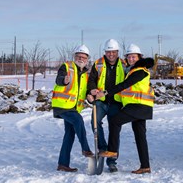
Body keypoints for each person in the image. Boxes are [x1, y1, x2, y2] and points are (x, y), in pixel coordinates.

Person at [95, 44, 155, 174]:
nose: (131, 59)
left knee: (115, 120)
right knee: (140, 136)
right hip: (140, 107)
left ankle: (112, 150)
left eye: (134, 56)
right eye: (129, 57)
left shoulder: (140, 71)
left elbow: (124, 85)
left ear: (139, 57)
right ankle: (145, 166)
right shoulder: (134, 70)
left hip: (138, 106)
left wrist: (105, 93)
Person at [52, 44, 94, 172]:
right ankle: (86, 149)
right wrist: (64, 80)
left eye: (83, 57)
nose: (81, 58)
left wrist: (89, 96)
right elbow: (59, 79)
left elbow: (84, 91)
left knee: (69, 134)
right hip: (63, 105)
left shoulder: (86, 74)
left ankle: (63, 164)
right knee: (78, 121)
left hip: (73, 107)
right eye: (79, 56)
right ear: (75, 57)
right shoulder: (67, 67)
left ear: (87, 59)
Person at [86, 38, 126, 172]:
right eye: (108, 52)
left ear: (117, 52)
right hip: (101, 101)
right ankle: (102, 148)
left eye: (113, 52)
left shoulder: (124, 64)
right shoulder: (98, 64)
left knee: (115, 130)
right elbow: (91, 80)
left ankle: (112, 160)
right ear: (105, 52)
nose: (111, 54)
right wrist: (91, 89)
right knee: (95, 122)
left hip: (116, 102)